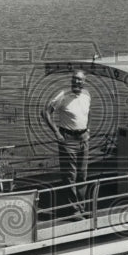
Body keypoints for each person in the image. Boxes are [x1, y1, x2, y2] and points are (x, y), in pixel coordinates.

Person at [42, 70, 91, 217]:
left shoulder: (87, 95)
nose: (77, 82)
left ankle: (82, 207)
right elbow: (45, 112)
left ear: (84, 82)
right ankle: (74, 210)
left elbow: (89, 112)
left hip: (83, 139)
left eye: (80, 80)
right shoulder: (63, 95)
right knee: (70, 176)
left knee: (82, 175)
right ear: (71, 81)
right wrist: (56, 132)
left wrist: (88, 128)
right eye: (75, 79)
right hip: (68, 139)